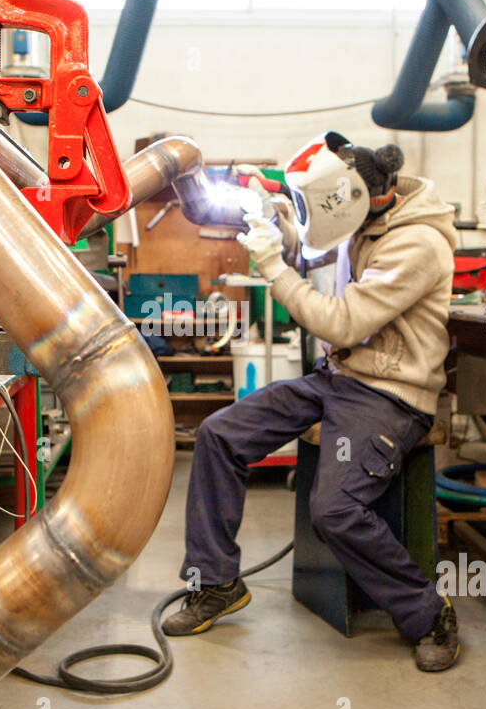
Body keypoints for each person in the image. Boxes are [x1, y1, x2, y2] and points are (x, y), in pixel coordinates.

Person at [162, 131, 461, 672]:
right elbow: (311, 248)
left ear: (363, 201)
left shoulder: (416, 244)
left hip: (392, 394)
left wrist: (273, 270)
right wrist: (271, 221)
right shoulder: (364, 220)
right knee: (220, 434)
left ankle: (427, 613)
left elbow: (343, 321)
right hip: (339, 377)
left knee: (335, 510)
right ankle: (216, 583)